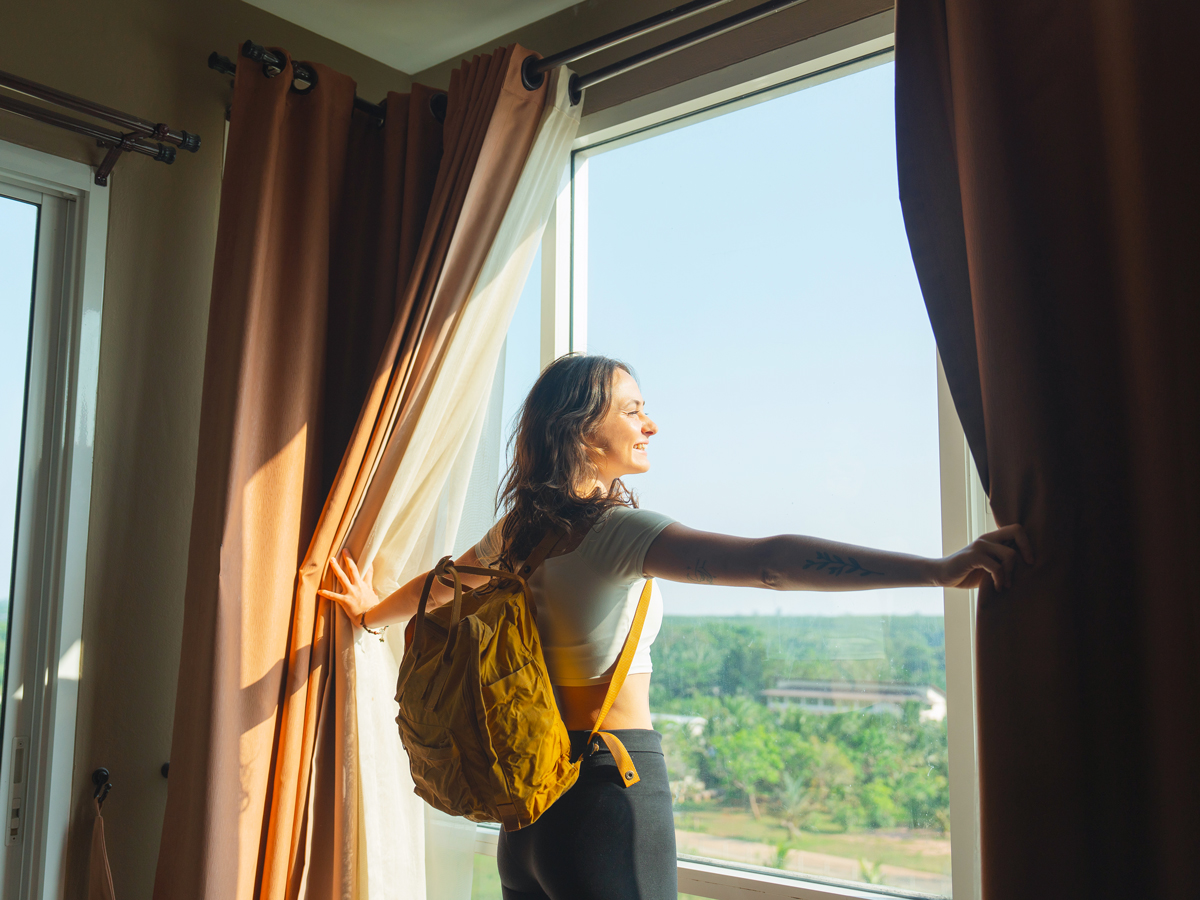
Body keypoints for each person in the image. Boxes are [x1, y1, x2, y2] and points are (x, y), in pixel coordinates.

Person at [320, 353, 1033, 900]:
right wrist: (940, 570)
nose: (650, 424)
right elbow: (769, 565)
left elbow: (440, 587)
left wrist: (368, 612)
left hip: (526, 810)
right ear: (583, 432)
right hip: (607, 792)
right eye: (633, 411)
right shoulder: (616, 531)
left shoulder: (517, 534)